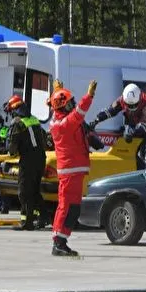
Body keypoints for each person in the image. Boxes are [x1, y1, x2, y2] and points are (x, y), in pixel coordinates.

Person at [47, 79, 97, 256]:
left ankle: (62, 240)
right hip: (70, 171)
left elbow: (60, 105)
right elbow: (79, 113)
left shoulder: (59, 118)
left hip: (74, 170)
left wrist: (58, 90)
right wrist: (89, 95)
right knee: (66, 206)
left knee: (72, 207)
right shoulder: (64, 124)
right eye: (70, 104)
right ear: (63, 107)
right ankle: (58, 242)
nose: (73, 105)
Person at [89, 83, 146, 169]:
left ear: (140, 99)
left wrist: (133, 133)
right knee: (127, 146)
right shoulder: (122, 100)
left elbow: (144, 125)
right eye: (129, 105)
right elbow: (110, 111)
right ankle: (132, 168)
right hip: (133, 123)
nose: (131, 107)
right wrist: (96, 120)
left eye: (134, 105)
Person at [4, 95, 47, 231]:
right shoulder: (34, 120)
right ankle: (44, 218)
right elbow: (44, 139)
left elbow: (12, 146)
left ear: (14, 110)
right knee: (34, 190)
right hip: (40, 158)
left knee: (24, 192)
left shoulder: (17, 122)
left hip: (28, 160)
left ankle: (27, 222)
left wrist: (10, 154)